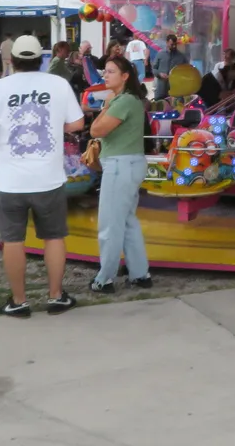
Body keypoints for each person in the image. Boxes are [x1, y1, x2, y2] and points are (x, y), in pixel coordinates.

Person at [0, 34, 86, 317]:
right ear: (40, 59)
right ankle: (56, 296)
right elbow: (77, 123)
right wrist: (54, 123)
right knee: (54, 237)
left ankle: (19, 301)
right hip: (48, 178)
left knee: (12, 240)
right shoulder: (57, 84)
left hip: (9, 181)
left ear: (12, 60)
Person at [88, 56, 153, 294]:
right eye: (105, 71)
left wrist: (106, 106)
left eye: (111, 71)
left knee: (110, 224)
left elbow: (96, 130)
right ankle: (140, 273)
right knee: (126, 221)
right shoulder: (131, 99)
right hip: (130, 163)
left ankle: (105, 278)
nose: (105, 75)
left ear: (125, 76)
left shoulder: (122, 101)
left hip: (119, 165)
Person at [151, 34, 185, 101]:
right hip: (161, 89)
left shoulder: (181, 56)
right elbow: (154, 69)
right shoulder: (160, 54)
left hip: (176, 90)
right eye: (172, 44)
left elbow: (185, 71)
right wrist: (159, 74)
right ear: (167, 43)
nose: (174, 46)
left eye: (175, 44)